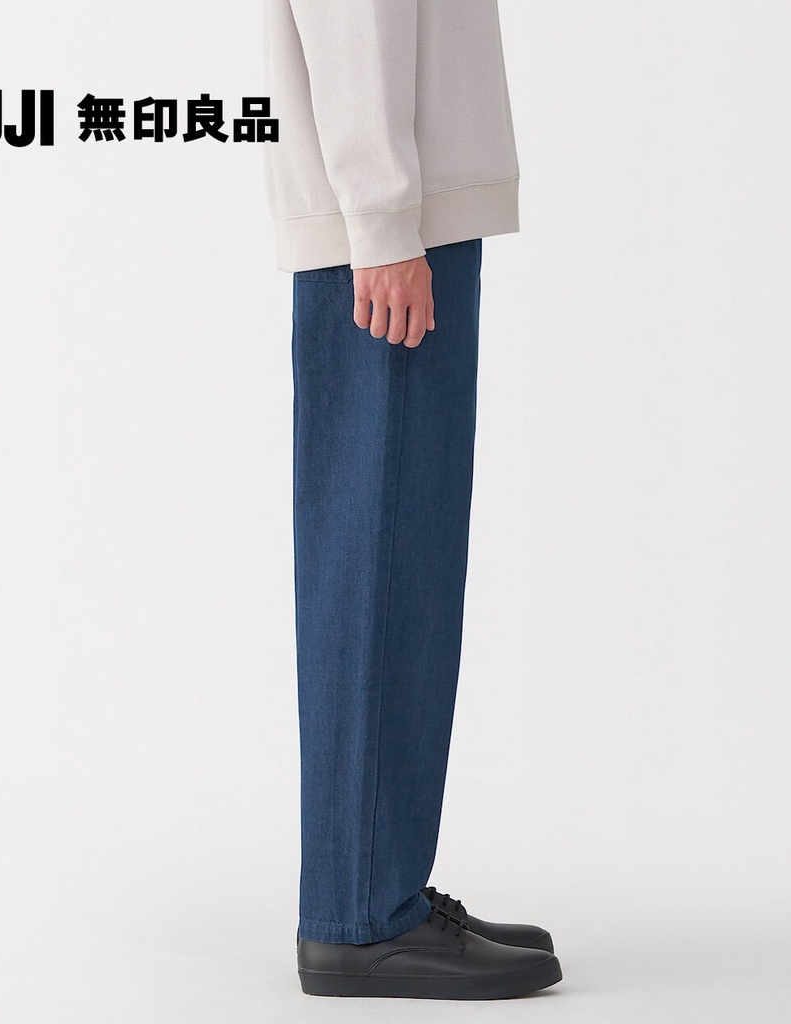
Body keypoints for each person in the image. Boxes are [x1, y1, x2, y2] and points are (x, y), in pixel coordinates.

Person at [262, 0, 561, 1000]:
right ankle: (360, 914)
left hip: (403, 213)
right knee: (382, 563)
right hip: (388, 230)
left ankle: (377, 887)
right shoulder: (386, 224)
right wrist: (383, 221)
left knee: (401, 561)